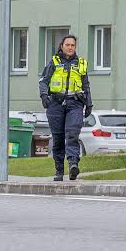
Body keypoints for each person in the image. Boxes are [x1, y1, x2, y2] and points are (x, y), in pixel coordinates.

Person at [39, 34, 93, 182]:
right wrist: (44, 96)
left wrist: (89, 104)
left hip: (75, 104)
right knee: (58, 139)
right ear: (62, 46)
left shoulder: (81, 63)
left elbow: (86, 85)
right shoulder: (54, 62)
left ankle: (73, 164)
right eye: (67, 45)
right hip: (55, 104)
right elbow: (44, 81)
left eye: (73, 45)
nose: (70, 47)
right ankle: (59, 169)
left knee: (72, 134)